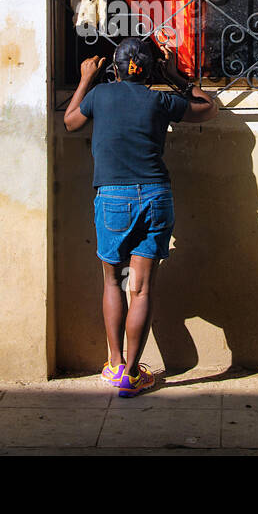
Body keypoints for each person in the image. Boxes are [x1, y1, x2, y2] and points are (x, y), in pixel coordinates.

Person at [63, 36, 218, 397]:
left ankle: (115, 365)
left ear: (113, 69)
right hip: (155, 196)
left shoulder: (100, 96)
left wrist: (86, 78)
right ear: (150, 71)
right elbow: (208, 109)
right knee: (142, 288)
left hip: (113, 198)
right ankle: (132, 375)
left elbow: (70, 122)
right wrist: (176, 76)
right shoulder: (160, 99)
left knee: (113, 282)